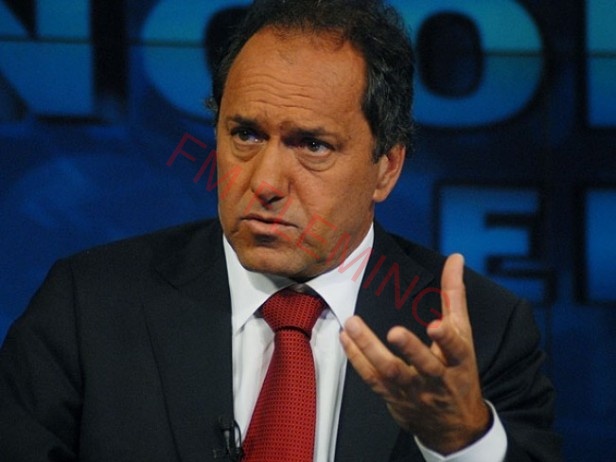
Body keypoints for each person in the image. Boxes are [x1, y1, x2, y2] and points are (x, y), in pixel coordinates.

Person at [0, 0, 560, 461]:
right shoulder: (88, 304)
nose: (265, 181)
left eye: (312, 145)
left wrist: (463, 442)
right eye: (245, 134)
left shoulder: (483, 334)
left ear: (387, 168)